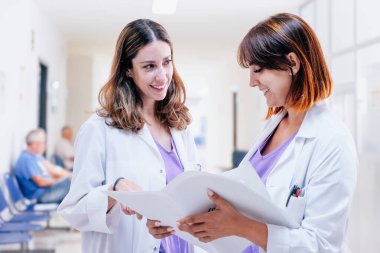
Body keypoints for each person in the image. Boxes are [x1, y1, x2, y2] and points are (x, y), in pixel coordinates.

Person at [150, 13, 358, 252]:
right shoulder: (274, 125)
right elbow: (245, 201)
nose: (251, 82)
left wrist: (242, 227)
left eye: (258, 69)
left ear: (293, 62)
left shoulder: (332, 141)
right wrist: (177, 220)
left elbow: (322, 245)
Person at [57, 19, 200, 253]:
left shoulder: (180, 127)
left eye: (166, 62)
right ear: (128, 69)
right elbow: (74, 211)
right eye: (149, 66)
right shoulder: (98, 129)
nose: (163, 76)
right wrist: (113, 190)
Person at [13, 128, 71, 204]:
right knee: (71, 186)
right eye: (43, 143)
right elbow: (41, 182)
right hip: (39, 196)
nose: (44, 146)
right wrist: (58, 180)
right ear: (35, 144)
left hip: (45, 191)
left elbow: (51, 168)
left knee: (70, 184)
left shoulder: (35, 157)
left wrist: (65, 176)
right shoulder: (27, 159)